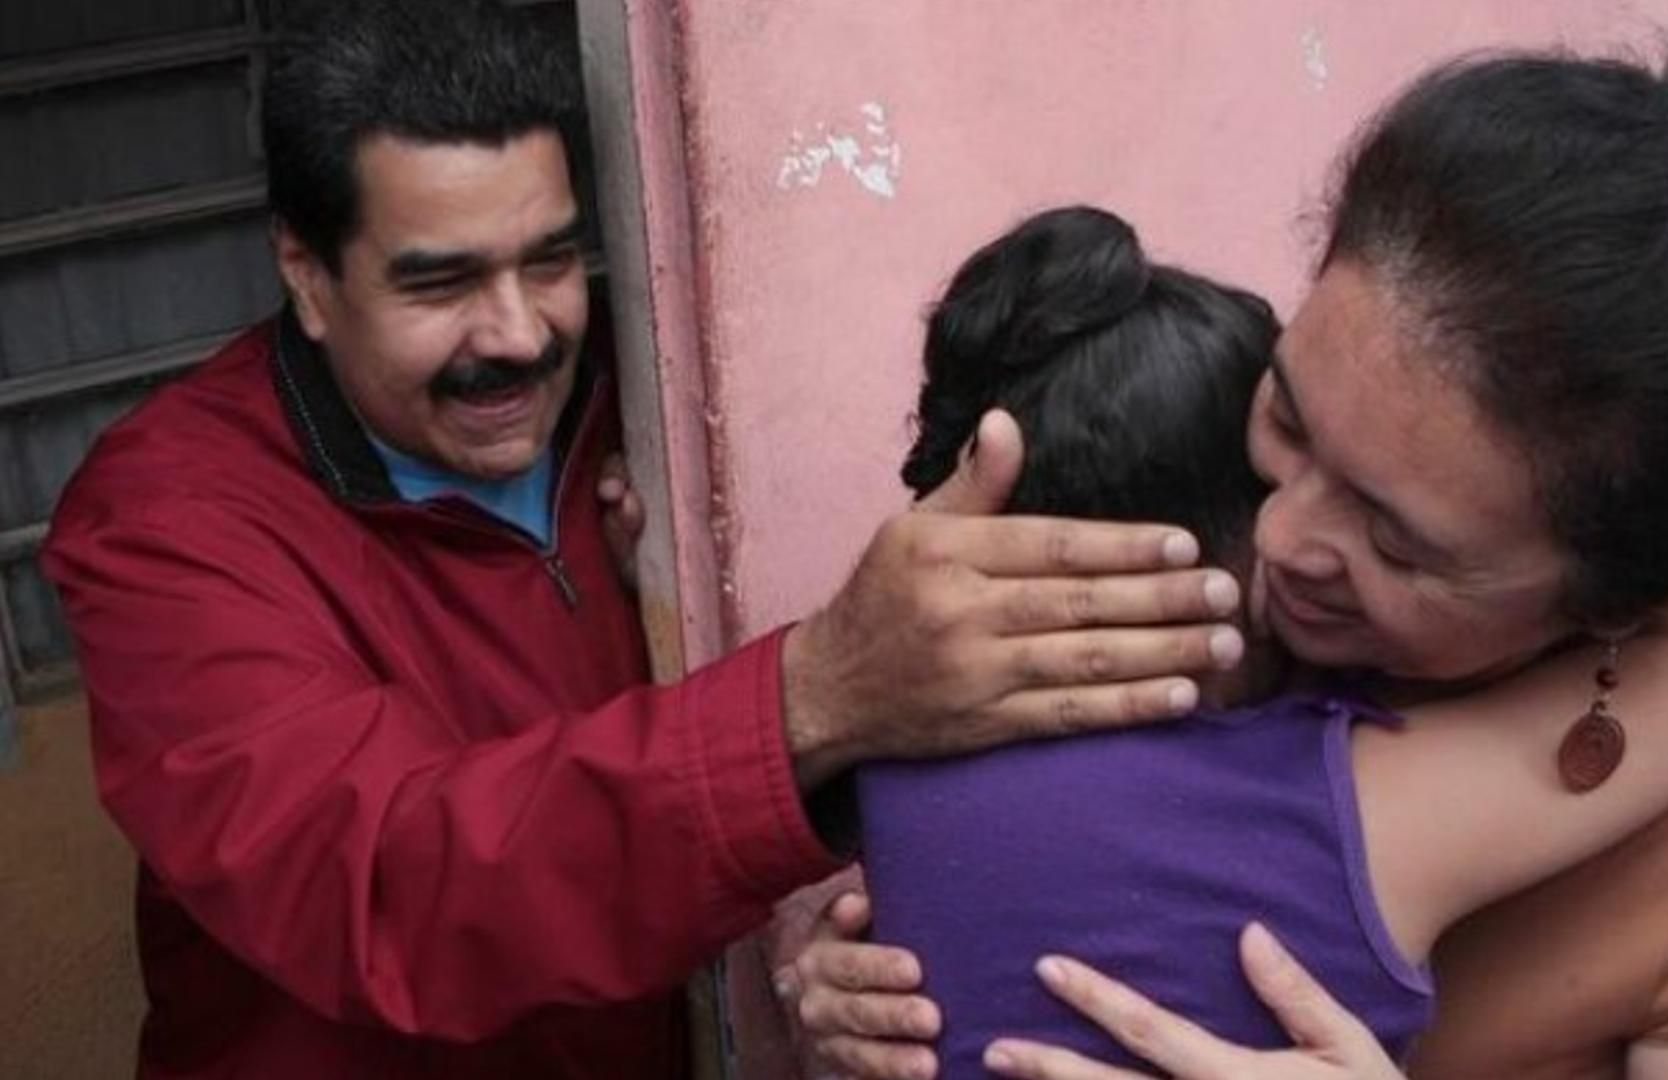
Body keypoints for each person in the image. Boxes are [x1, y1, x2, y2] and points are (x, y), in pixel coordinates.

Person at [36, 3, 1247, 1077]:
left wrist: (818, 933)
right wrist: (808, 695)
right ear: (306, 274)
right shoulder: (167, 522)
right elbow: (385, 886)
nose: (516, 333)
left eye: (552, 259)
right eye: (440, 282)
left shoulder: (642, 398)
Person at [787, 55, 1668, 1080]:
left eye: (1395, 540)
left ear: (1639, 593)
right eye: (1287, 412)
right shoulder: (1160, 617)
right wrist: (854, 981)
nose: (1278, 542)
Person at [856, 205, 1668, 1079]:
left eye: (1388, 529)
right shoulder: (1334, 810)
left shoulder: (886, 760)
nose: (1295, 544)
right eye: (1285, 445)